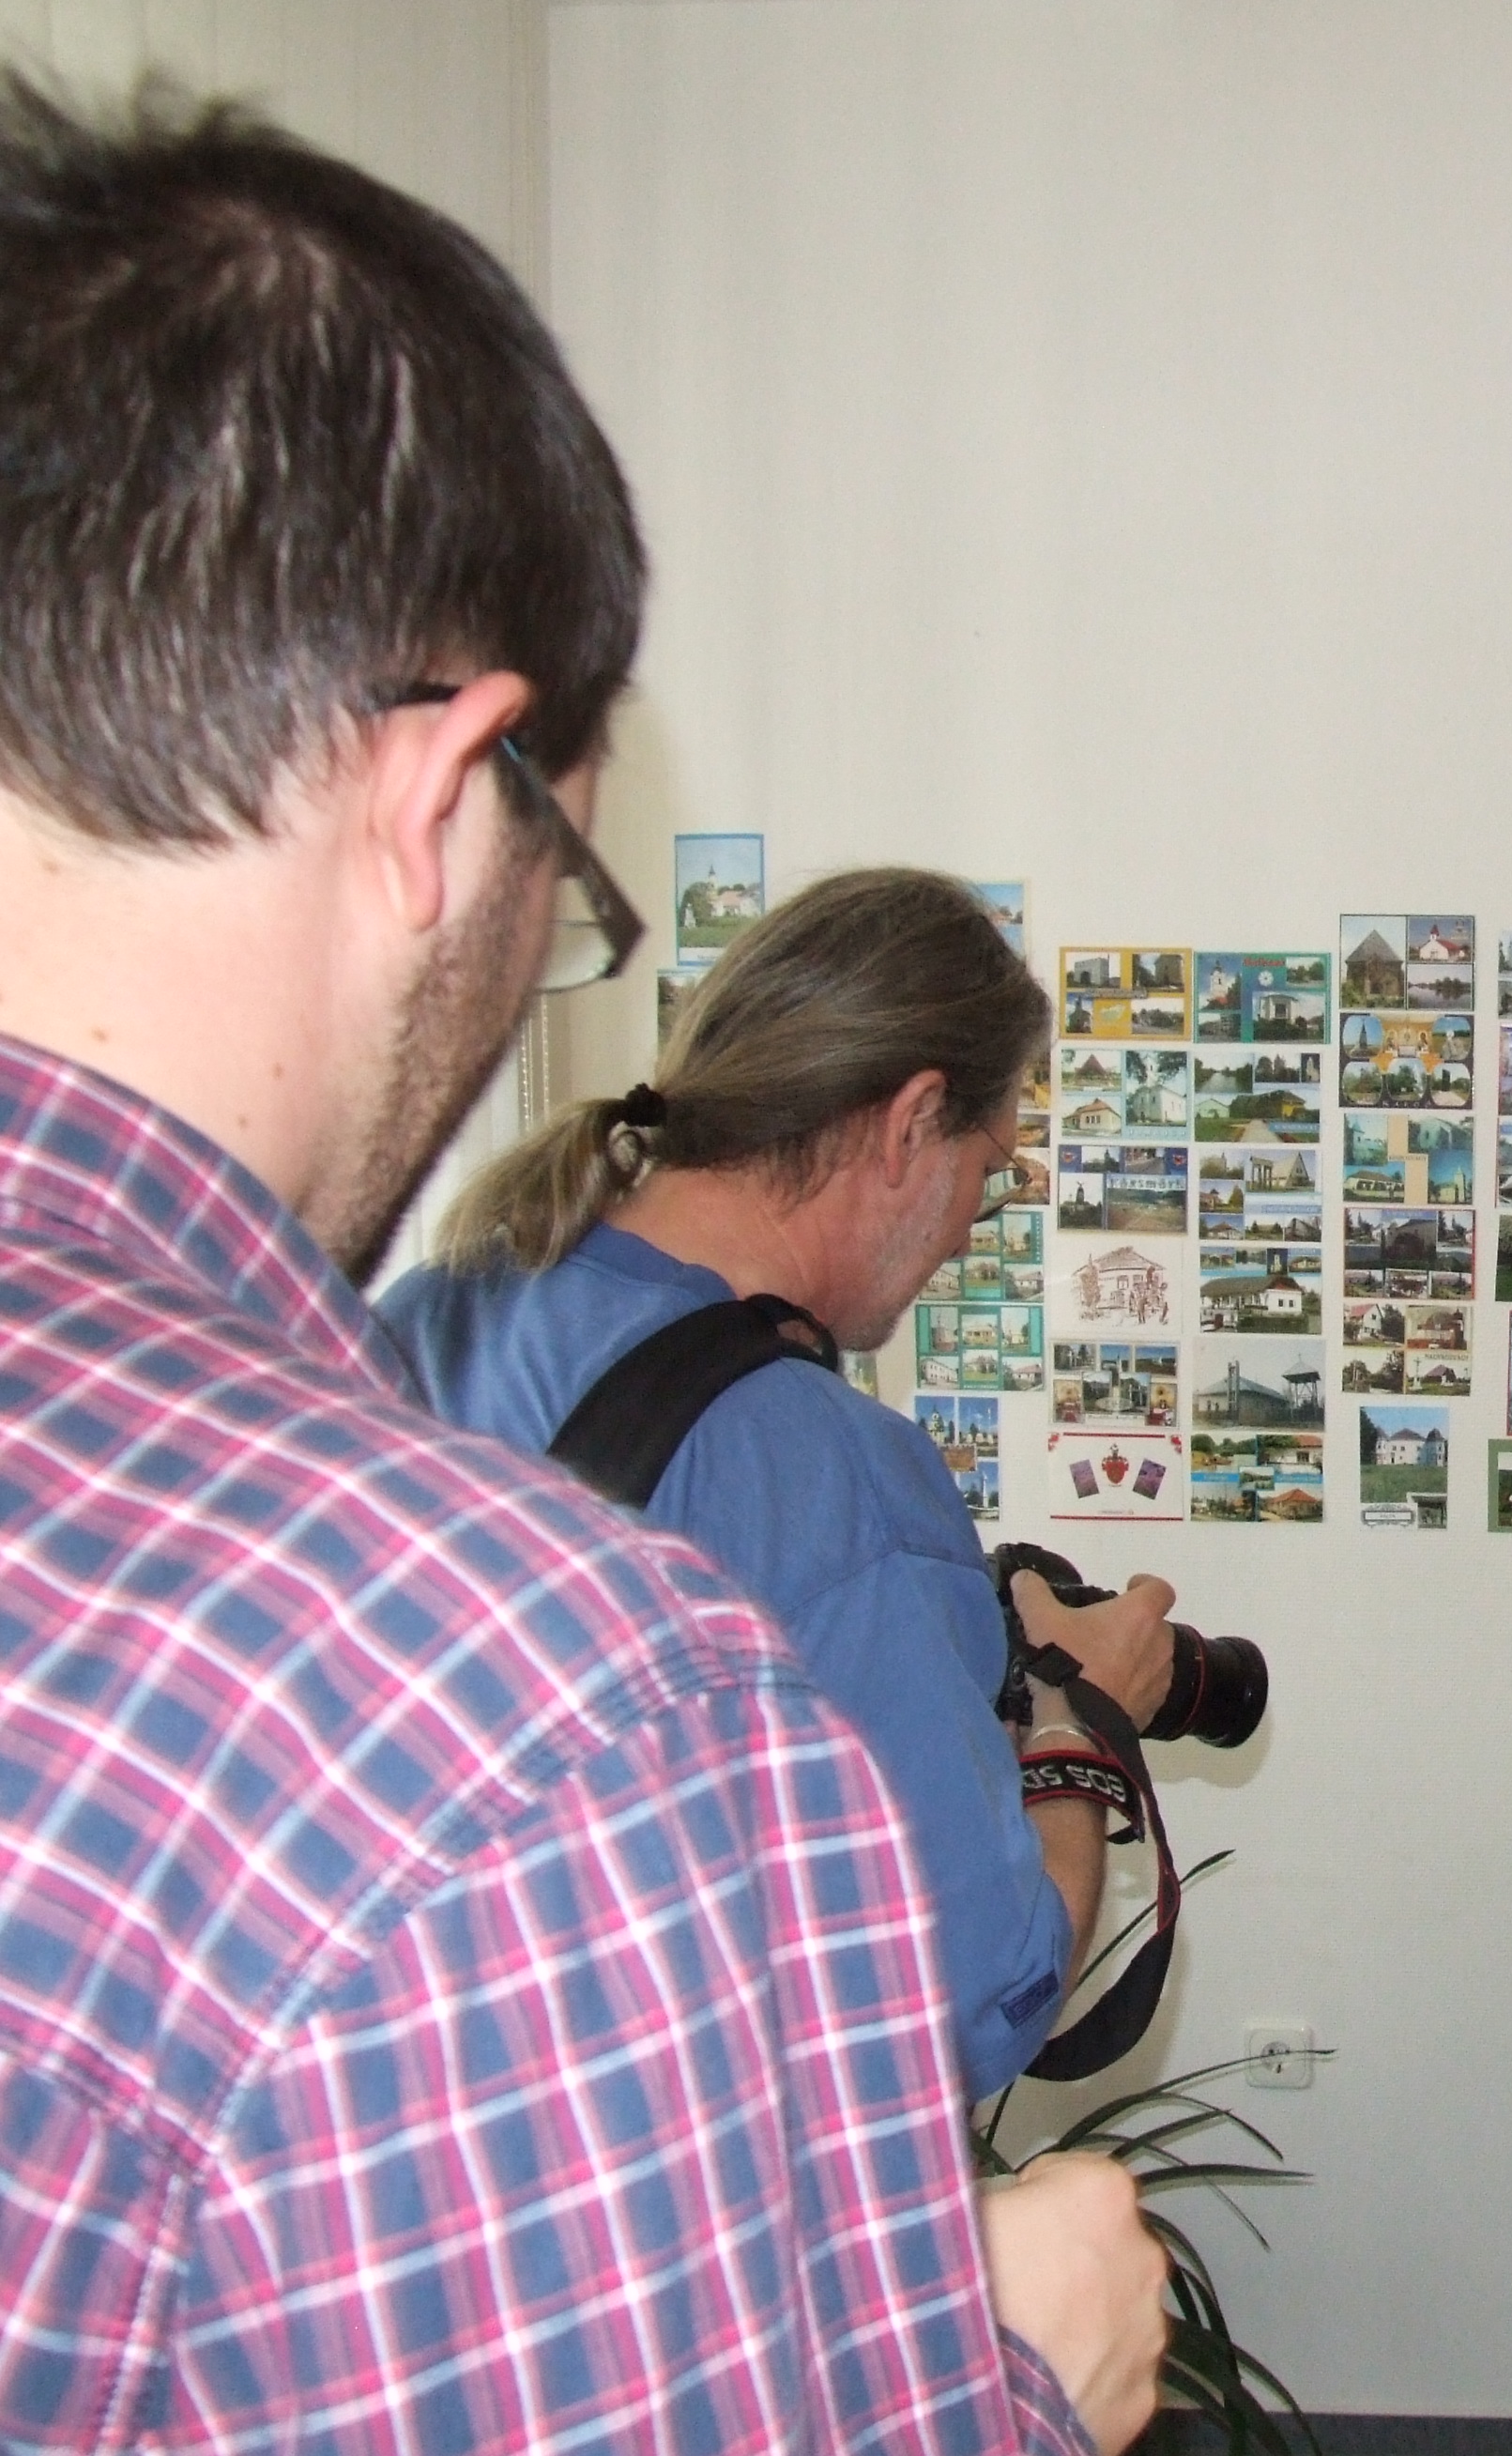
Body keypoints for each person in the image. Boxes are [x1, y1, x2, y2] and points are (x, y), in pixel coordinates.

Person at [0, 77, 1160, 2451]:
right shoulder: (529, 1705)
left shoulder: (422, 1332)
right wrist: (1022, 2384)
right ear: (445, 801)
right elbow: (963, 1992)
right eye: (568, 885)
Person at [381, 866, 1179, 2101]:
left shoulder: (431, 1314)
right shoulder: (838, 1474)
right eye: (989, 1168)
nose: (969, 1224)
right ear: (913, 1120)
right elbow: (969, 2003)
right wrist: (1086, 1729)